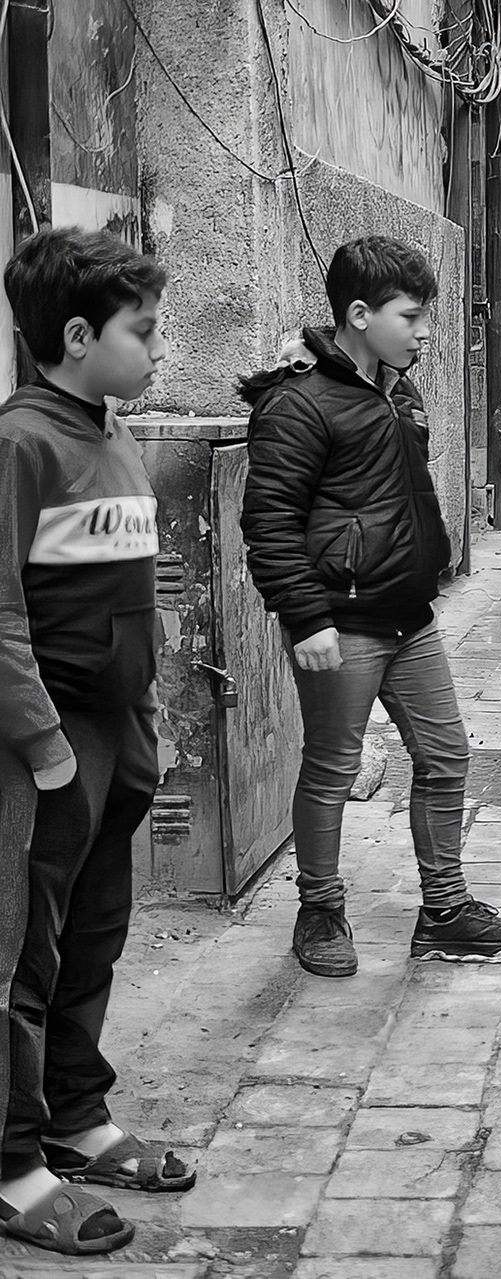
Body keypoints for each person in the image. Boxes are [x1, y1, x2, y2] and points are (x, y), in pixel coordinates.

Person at [239, 236, 501, 978]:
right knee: (332, 767)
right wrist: (305, 617)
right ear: (359, 314)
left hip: (409, 616)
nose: (426, 331)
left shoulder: (399, 390)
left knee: (446, 756)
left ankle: (445, 910)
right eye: (411, 316)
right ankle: (319, 909)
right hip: (340, 621)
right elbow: (269, 521)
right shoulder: (297, 403)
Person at [0, 227, 189, 1256]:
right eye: (142, 331)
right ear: (78, 337)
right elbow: (1, 615)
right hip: (50, 747)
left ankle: (75, 1115)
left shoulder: (112, 432)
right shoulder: (21, 443)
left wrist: (145, 724)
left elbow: (131, 600)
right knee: (24, 953)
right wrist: (46, 749)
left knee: (95, 934)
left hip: (122, 734)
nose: (158, 349)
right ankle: (12, 1165)